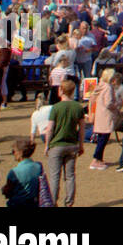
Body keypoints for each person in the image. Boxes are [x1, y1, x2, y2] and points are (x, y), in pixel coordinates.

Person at [43, 78, 86, 207]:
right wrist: (81, 145)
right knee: (70, 176)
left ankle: (53, 202)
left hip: (56, 145)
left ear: (61, 90)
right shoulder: (78, 107)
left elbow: (50, 128)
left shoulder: (55, 108)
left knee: (54, 177)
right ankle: (69, 203)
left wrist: (46, 145)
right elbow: (82, 129)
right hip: (72, 145)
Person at [89, 68, 120, 170]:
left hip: (100, 114)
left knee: (102, 137)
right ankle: (96, 159)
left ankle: (99, 159)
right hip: (106, 115)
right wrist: (117, 104)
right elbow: (109, 103)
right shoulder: (108, 87)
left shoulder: (101, 85)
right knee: (103, 138)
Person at [2, 138, 46, 208]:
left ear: (20, 152)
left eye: (14, 151)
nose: (13, 153)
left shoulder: (14, 172)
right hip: (33, 203)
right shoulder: (38, 167)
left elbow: (8, 192)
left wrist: (3, 189)